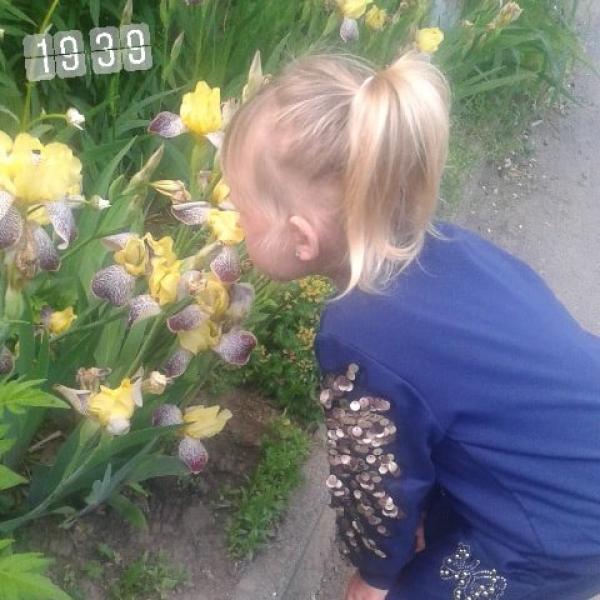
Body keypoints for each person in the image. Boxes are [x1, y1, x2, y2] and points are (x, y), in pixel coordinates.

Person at [220, 50, 600, 600]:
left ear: (302, 238)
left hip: (556, 532)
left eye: (241, 210)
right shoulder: (447, 245)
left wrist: (376, 575)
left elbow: (375, 490)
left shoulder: (359, 336)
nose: (235, 223)